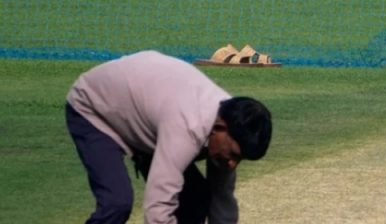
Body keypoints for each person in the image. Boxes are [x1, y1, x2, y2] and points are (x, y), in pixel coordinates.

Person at [66, 50, 273, 223]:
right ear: (219, 127)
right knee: (116, 203)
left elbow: (222, 199)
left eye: (240, 159)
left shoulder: (231, 121)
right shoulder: (187, 126)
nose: (232, 164)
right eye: (234, 155)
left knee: (195, 198)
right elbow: (157, 209)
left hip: (147, 116)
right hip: (96, 108)